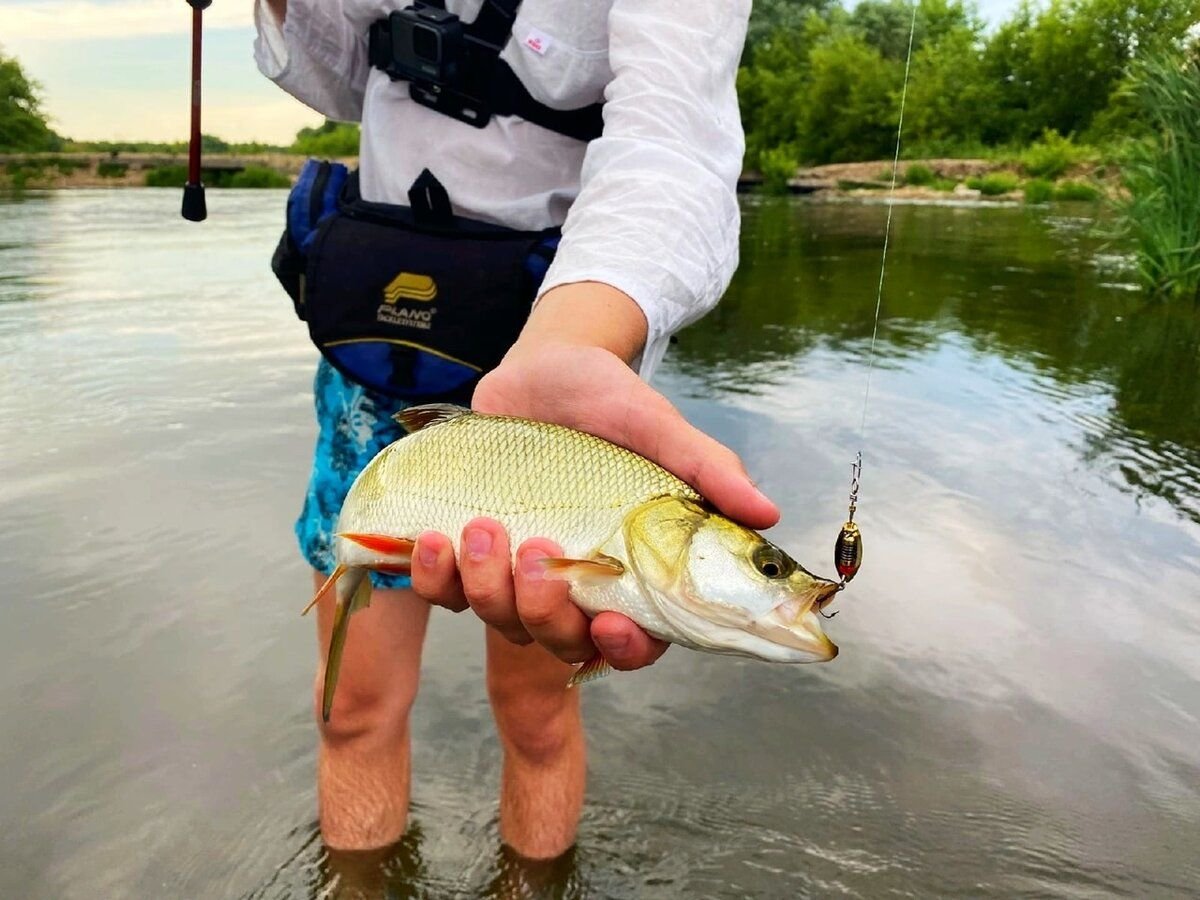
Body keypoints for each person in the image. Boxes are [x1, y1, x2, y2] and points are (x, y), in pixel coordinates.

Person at [254, 0, 774, 861]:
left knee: (537, 712)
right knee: (350, 706)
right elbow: (342, 79)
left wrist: (571, 342)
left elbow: (676, 137)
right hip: (374, 355)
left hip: (567, 346)